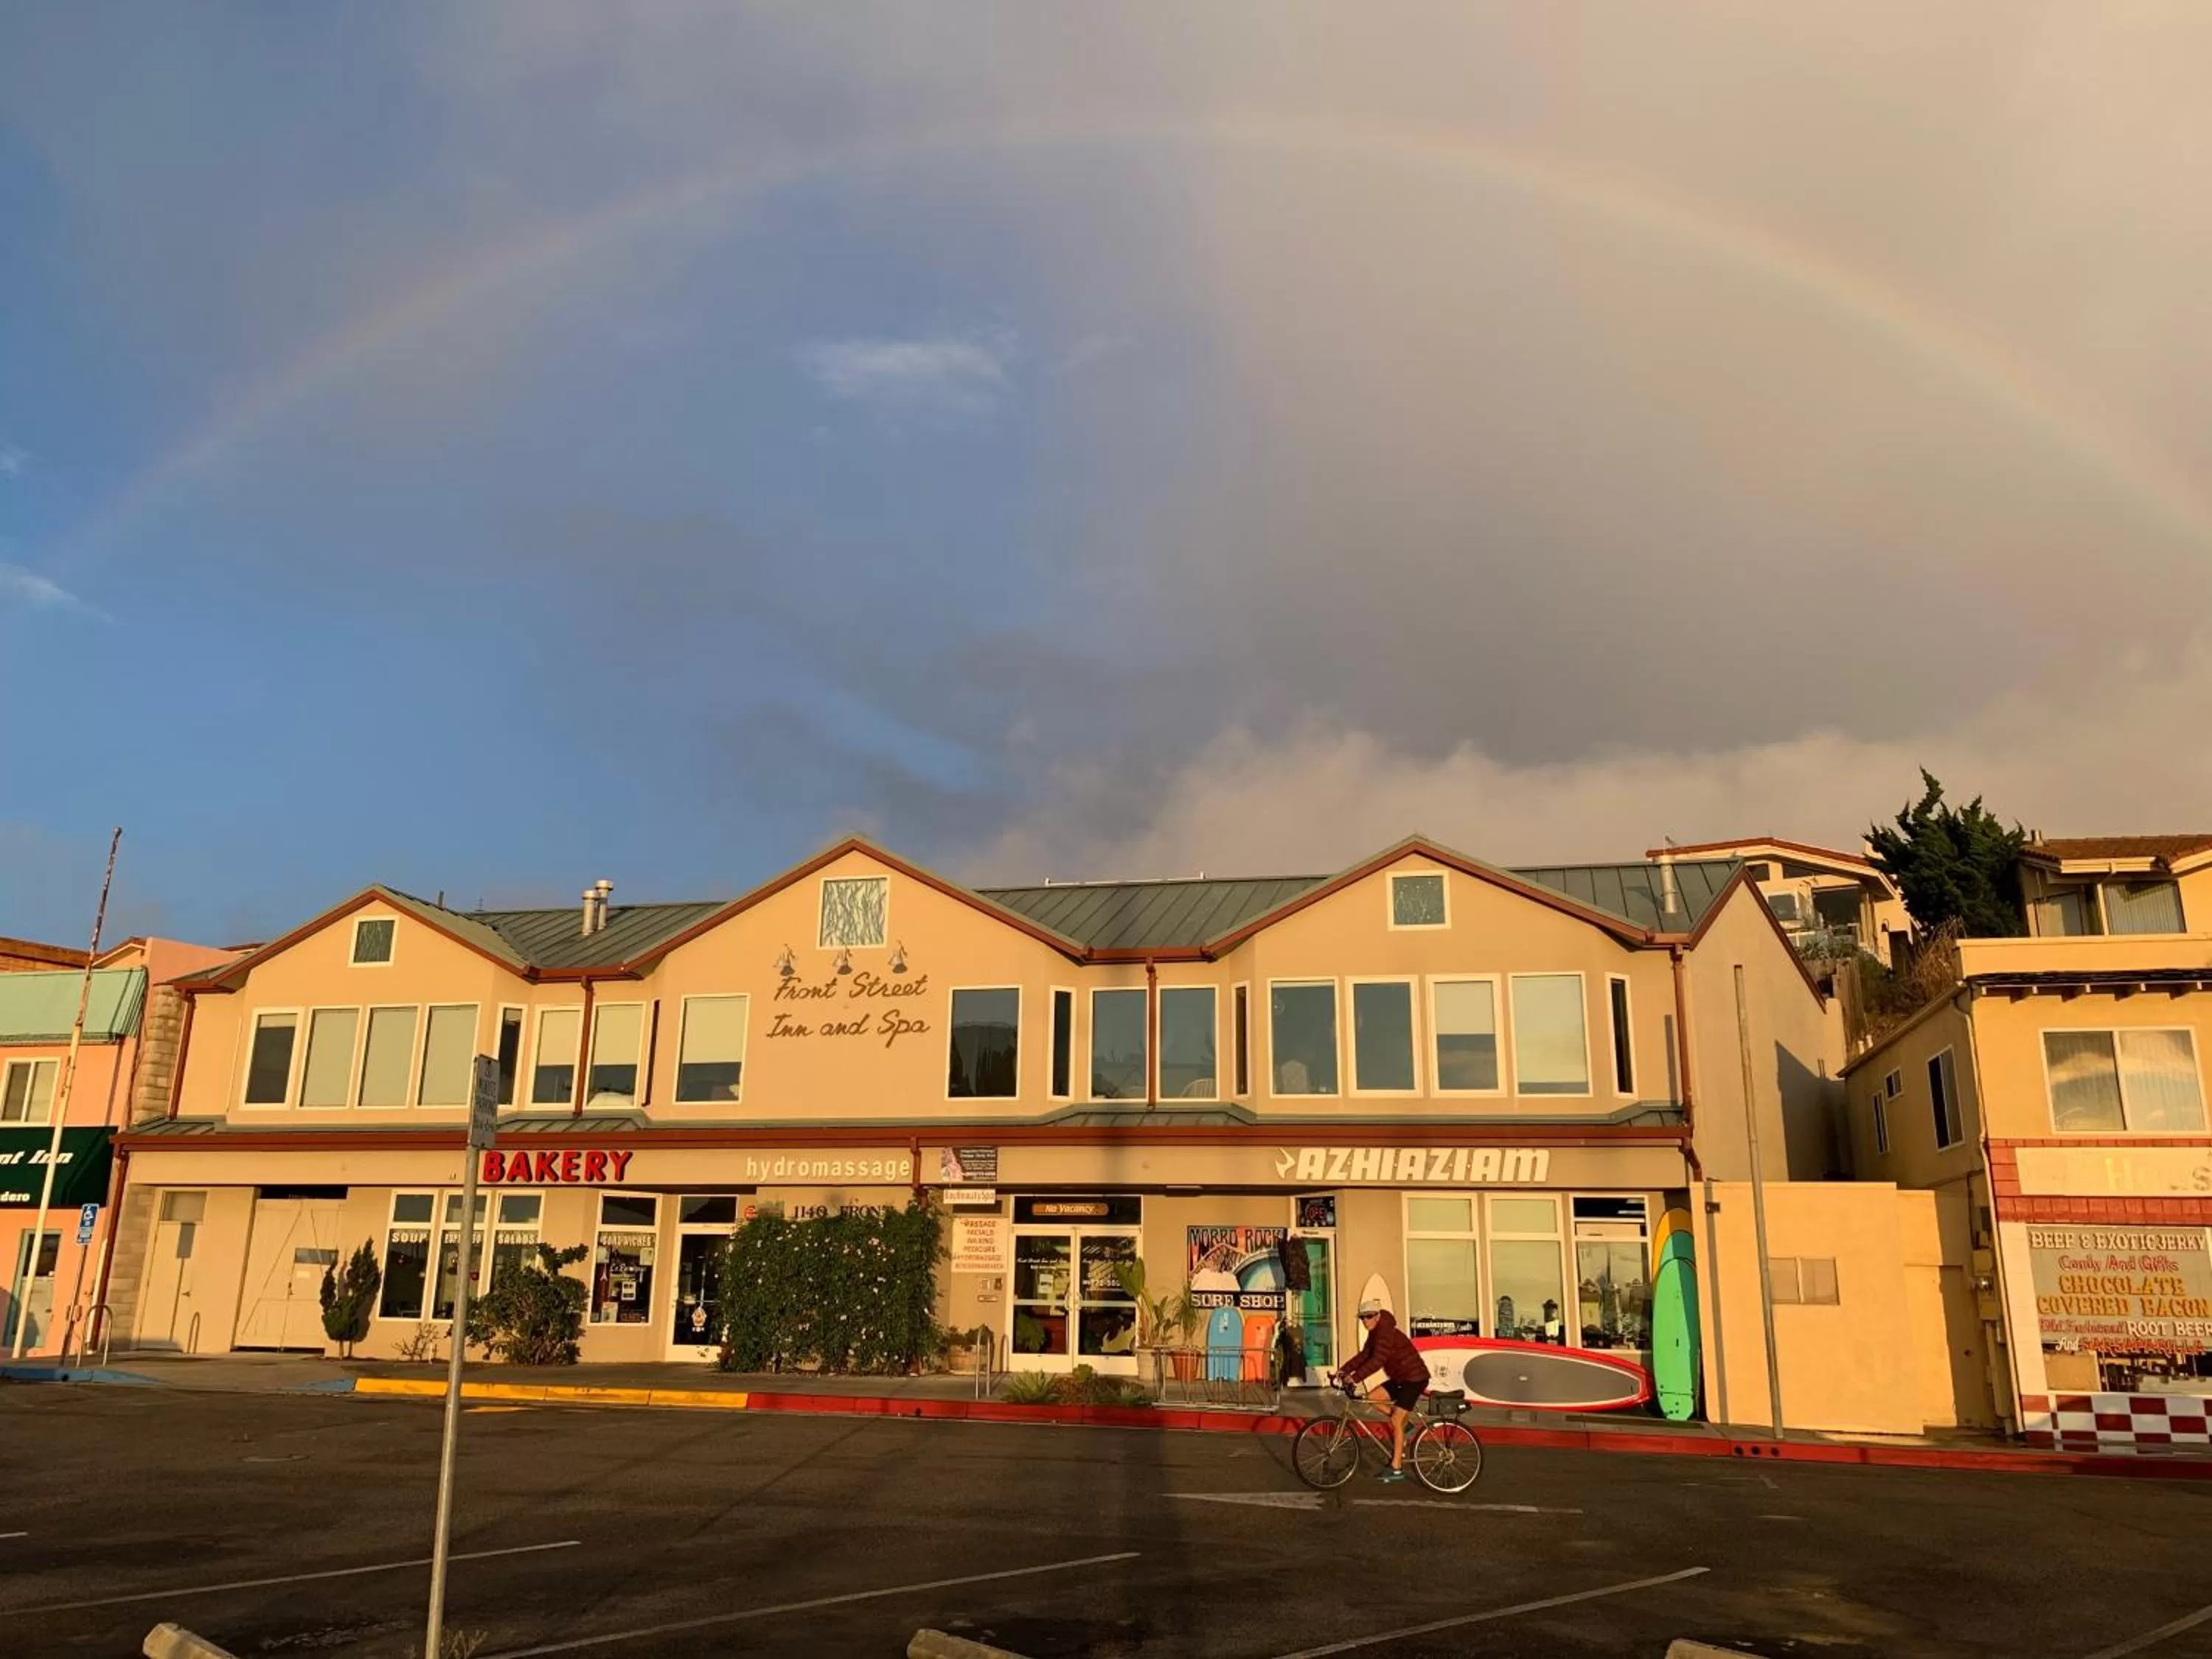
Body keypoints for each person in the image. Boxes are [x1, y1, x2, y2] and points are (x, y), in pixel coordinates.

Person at [1338, 1296, 1429, 1482]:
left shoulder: (1385, 1332)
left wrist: (1355, 1378)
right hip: (1400, 1378)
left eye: (1368, 1317)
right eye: (1362, 1318)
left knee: (1396, 1420)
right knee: (1372, 1398)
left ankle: (1396, 1468)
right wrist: (1344, 1370)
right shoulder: (1375, 1333)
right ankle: (1408, 1426)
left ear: (1378, 1316)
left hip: (1414, 1378)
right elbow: (1365, 1355)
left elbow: (1378, 1360)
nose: (1365, 1321)